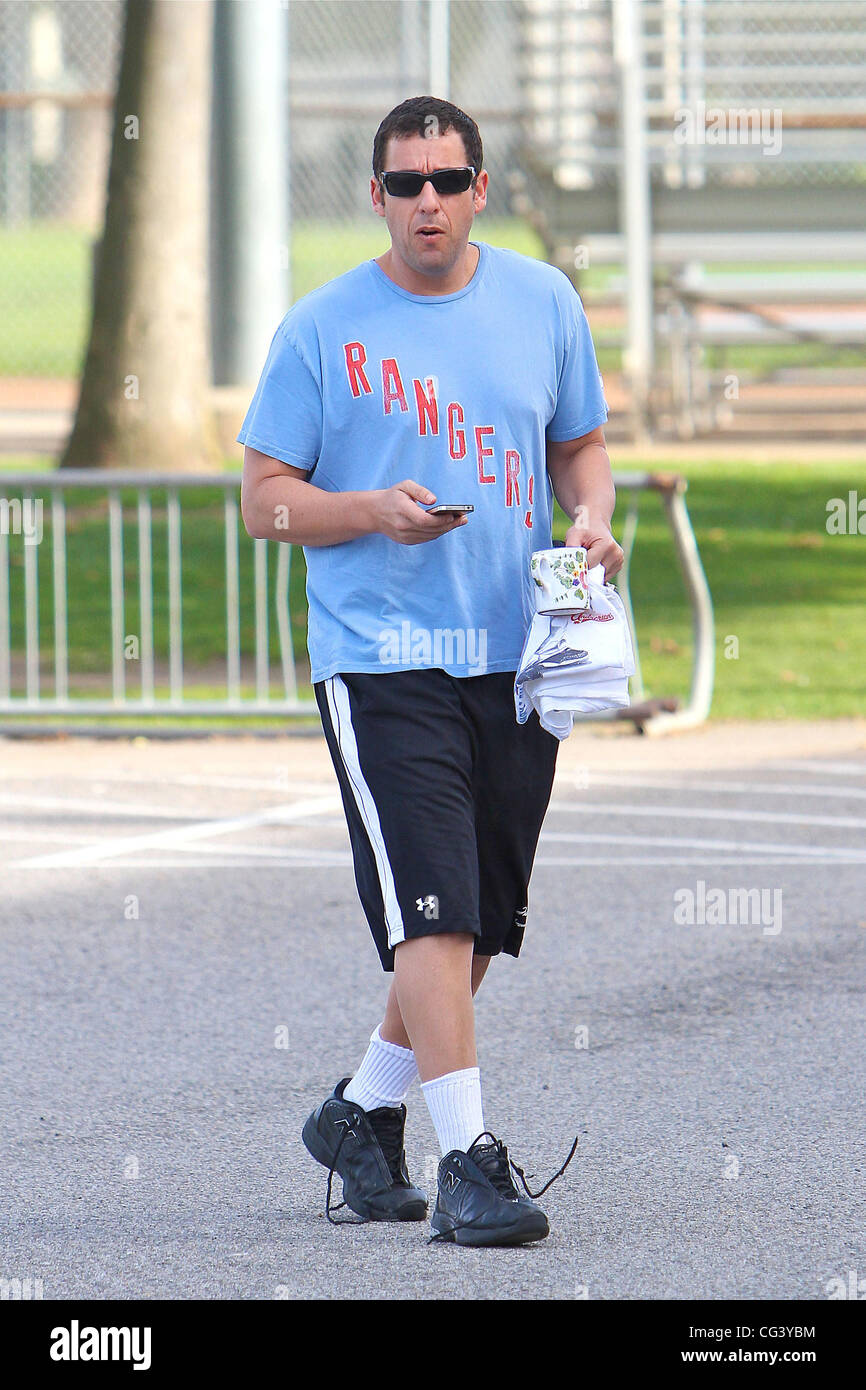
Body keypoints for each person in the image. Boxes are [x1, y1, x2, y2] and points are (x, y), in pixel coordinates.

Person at [238, 96, 623, 1247]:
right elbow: (264, 500)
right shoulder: (321, 326)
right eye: (404, 184)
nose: (426, 203)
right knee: (431, 910)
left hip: (519, 655)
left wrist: (592, 519)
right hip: (381, 660)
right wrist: (365, 513)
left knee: (478, 920)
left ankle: (360, 1115)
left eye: (446, 181)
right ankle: (467, 1161)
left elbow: (579, 447)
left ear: (479, 189)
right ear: (375, 196)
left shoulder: (541, 301)